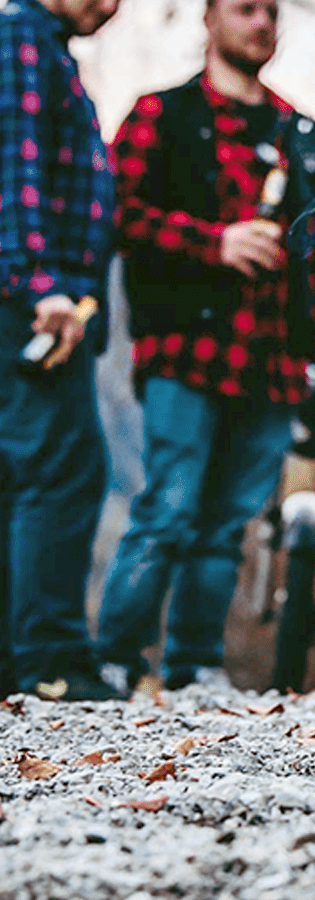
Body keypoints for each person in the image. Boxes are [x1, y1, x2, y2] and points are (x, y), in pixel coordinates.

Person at [96, 0, 315, 692]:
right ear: (209, 19)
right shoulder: (162, 115)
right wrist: (214, 242)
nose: (262, 24)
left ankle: (192, 667)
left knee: (225, 529)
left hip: (272, 367)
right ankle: (116, 663)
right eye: (245, 10)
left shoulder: (299, 131)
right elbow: (119, 215)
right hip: (184, 352)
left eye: (271, 12)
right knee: (167, 510)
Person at [0, 0, 124, 701]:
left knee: (22, 475)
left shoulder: (46, 48)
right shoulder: (20, 33)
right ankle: (50, 661)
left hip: (35, 295)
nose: (110, 7)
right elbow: (13, 166)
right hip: (34, 301)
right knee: (64, 468)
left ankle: (18, 663)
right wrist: (43, 285)